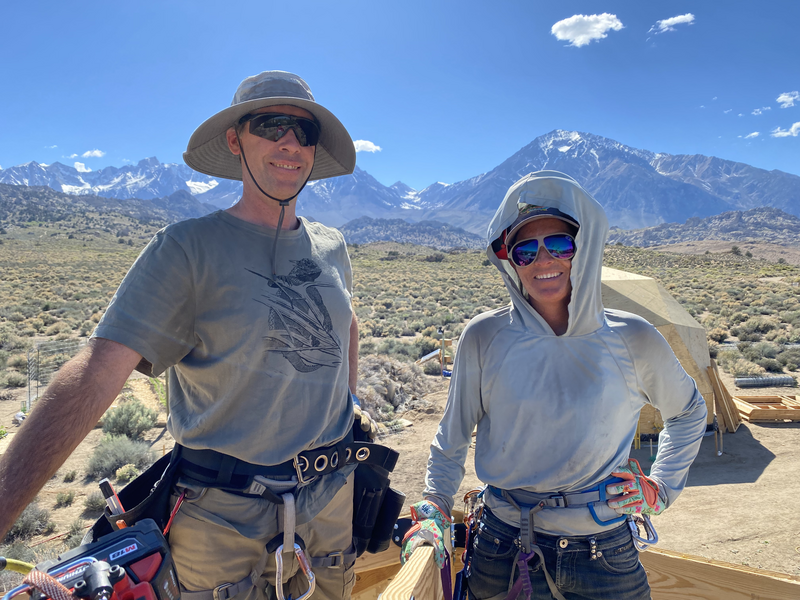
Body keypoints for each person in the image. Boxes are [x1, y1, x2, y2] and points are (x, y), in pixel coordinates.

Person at [0, 70, 375, 600]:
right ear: (235, 139)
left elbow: (347, 328)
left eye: (303, 132)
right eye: (271, 125)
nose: (289, 143)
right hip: (223, 522)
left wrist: (351, 406)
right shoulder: (185, 250)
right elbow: (95, 374)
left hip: (330, 505)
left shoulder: (332, 245)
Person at [402, 171, 707, 600]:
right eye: (526, 250)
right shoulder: (484, 336)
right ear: (510, 260)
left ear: (582, 251)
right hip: (499, 546)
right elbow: (451, 436)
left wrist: (661, 487)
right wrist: (435, 503)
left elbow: (689, 412)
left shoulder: (631, 338)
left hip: (601, 554)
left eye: (560, 245)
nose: (544, 260)